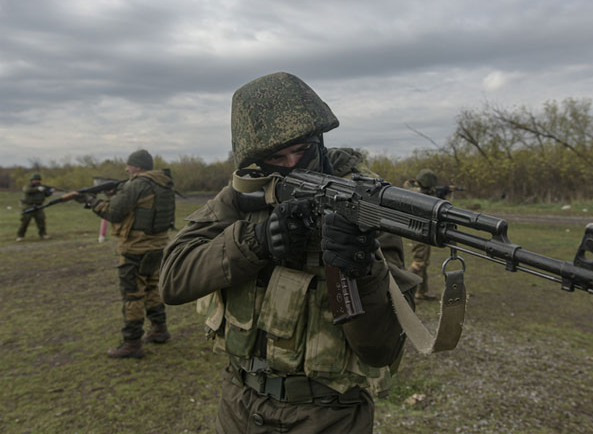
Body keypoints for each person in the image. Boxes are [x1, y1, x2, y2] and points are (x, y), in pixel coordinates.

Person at [160, 72, 418, 433]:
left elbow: (382, 350)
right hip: (239, 404)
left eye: (304, 150)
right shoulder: (246, 193)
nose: (293, 165)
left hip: (327, 415)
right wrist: (256, 241)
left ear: (321, 142)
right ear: (256, 161)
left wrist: (359, 269)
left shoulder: (363, 204)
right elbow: (173, 278)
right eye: (277, 158)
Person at [75, 149, 175, 359]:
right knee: (152, 288)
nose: (126, 169)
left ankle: (132, 342)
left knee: (132, 295)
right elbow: (142, 207)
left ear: (137, 167)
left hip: (135, 249)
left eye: (129, 165)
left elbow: (113, 212)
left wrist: (92, 202)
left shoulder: (136, 184)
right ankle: (159, 329)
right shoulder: (163, 182)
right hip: (157, 245)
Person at [403, 169, 442, 301]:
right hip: (419, 230)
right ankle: (401, 289)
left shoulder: (411, 187)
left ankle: (422, 292)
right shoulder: (418, 193)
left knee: (424, 262)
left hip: (420, 230)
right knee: (419, 262)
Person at [17, 173, 54, 241]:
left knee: (41, 221)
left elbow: (46, 195)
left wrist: (51, 191)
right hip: (29, 206)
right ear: (32, 180)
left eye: (38, 180)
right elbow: (26, 190)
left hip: (39, 206)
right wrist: (37, 189)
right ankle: (20, 236)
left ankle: (43, 234)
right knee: (25, 222)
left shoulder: (42, 187)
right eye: (35, 180)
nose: (37, 181)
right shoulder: (28, 186)